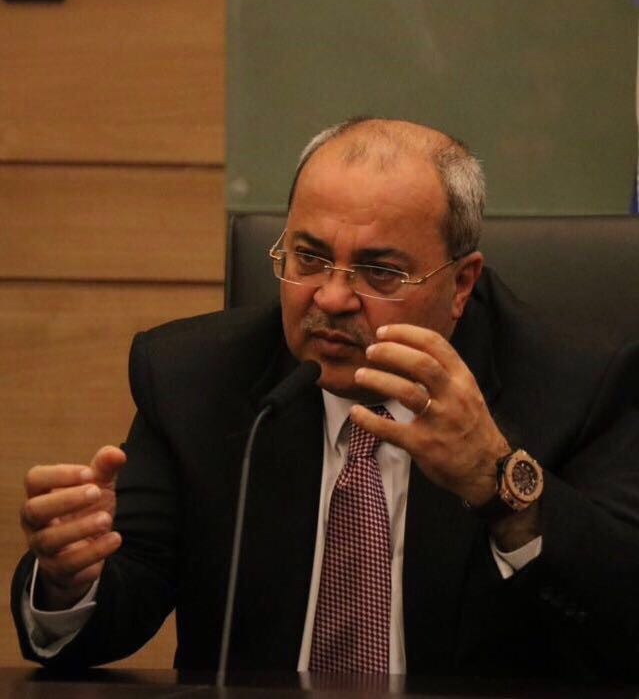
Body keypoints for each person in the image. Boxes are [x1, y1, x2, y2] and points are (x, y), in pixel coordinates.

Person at [12, 118, 639, 679]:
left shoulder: (577, 385)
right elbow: (125, 596)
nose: (332, 298)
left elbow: (622, 625)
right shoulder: (194, 379)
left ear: (460, 284)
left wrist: (498, 484)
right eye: (309, 258)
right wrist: (70, 579)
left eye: (380, 271)